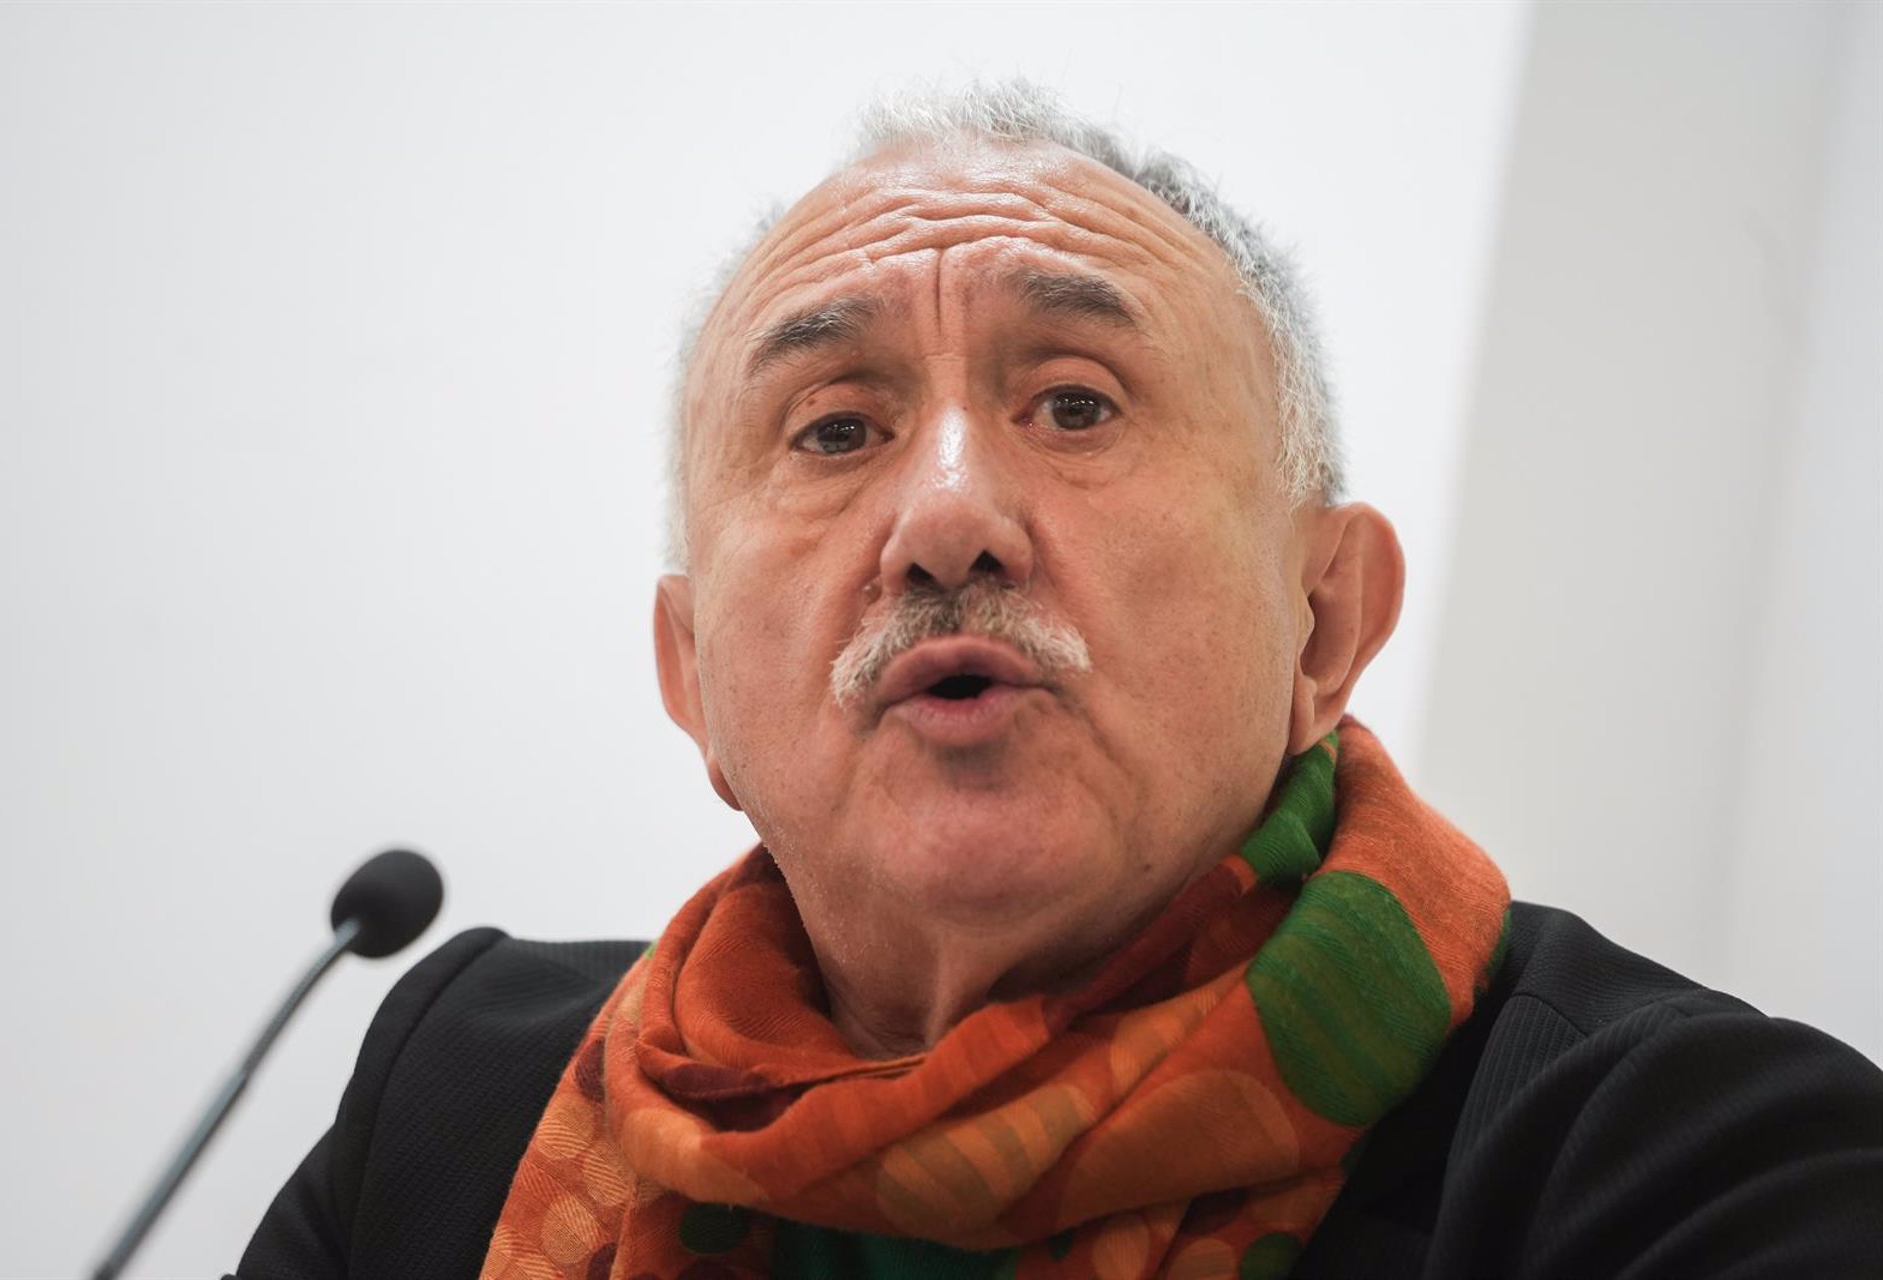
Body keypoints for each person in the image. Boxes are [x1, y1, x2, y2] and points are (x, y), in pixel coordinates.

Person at [235, 83, 1883, 1280]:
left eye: (1077, 405)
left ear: (1324, 621)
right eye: (835, 429)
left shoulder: (1695, 1168)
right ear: (695, 684)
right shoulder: (455, 1106)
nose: (946, 518)